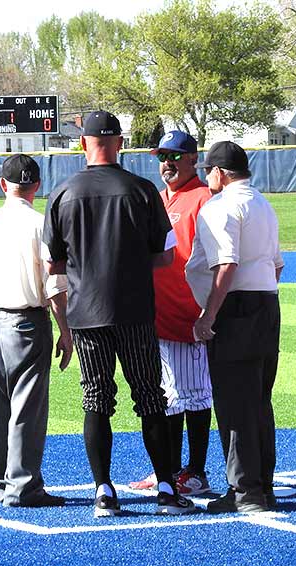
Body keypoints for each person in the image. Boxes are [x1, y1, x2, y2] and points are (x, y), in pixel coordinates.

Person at [42, 110, 195, 517]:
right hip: (134, 310)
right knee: (149, 397)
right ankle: (166, 489)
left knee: (96, 398)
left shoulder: (63, 192)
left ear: (83, 144)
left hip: (86, 313)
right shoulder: (143, 190)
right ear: (120, 144)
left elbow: (53, 263)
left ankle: (103, 491)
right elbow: (165, 256)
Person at [0, 154, 72, 508]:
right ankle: (23, 487)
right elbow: (54, 286)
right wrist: (66, 331)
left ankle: (0, 482)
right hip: (28, 323)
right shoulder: (41, 225)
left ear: (3, 184)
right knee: (27, 407)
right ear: (37, 186)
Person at [185, 141, 283, 514]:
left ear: (220, 173)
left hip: (236, 307)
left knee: (234, 402)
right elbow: (277, 265)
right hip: (266, 304)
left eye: (208, 171)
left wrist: (208, 315)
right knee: (258, 400)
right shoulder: (263, 204)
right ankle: (262, 486)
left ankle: (245, 491)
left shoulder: (220, 206)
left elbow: (226, 264)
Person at [128, 131, 213, 496]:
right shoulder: (159, 198)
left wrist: (207, 312)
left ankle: (195, 471)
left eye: (175, 156)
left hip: (188, 314)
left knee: (194, 396)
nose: (167, 163)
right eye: (162, 156)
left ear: (193, 159)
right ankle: (168, 469)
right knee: (167, 397)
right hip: (155, 316)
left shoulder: (204, 198)